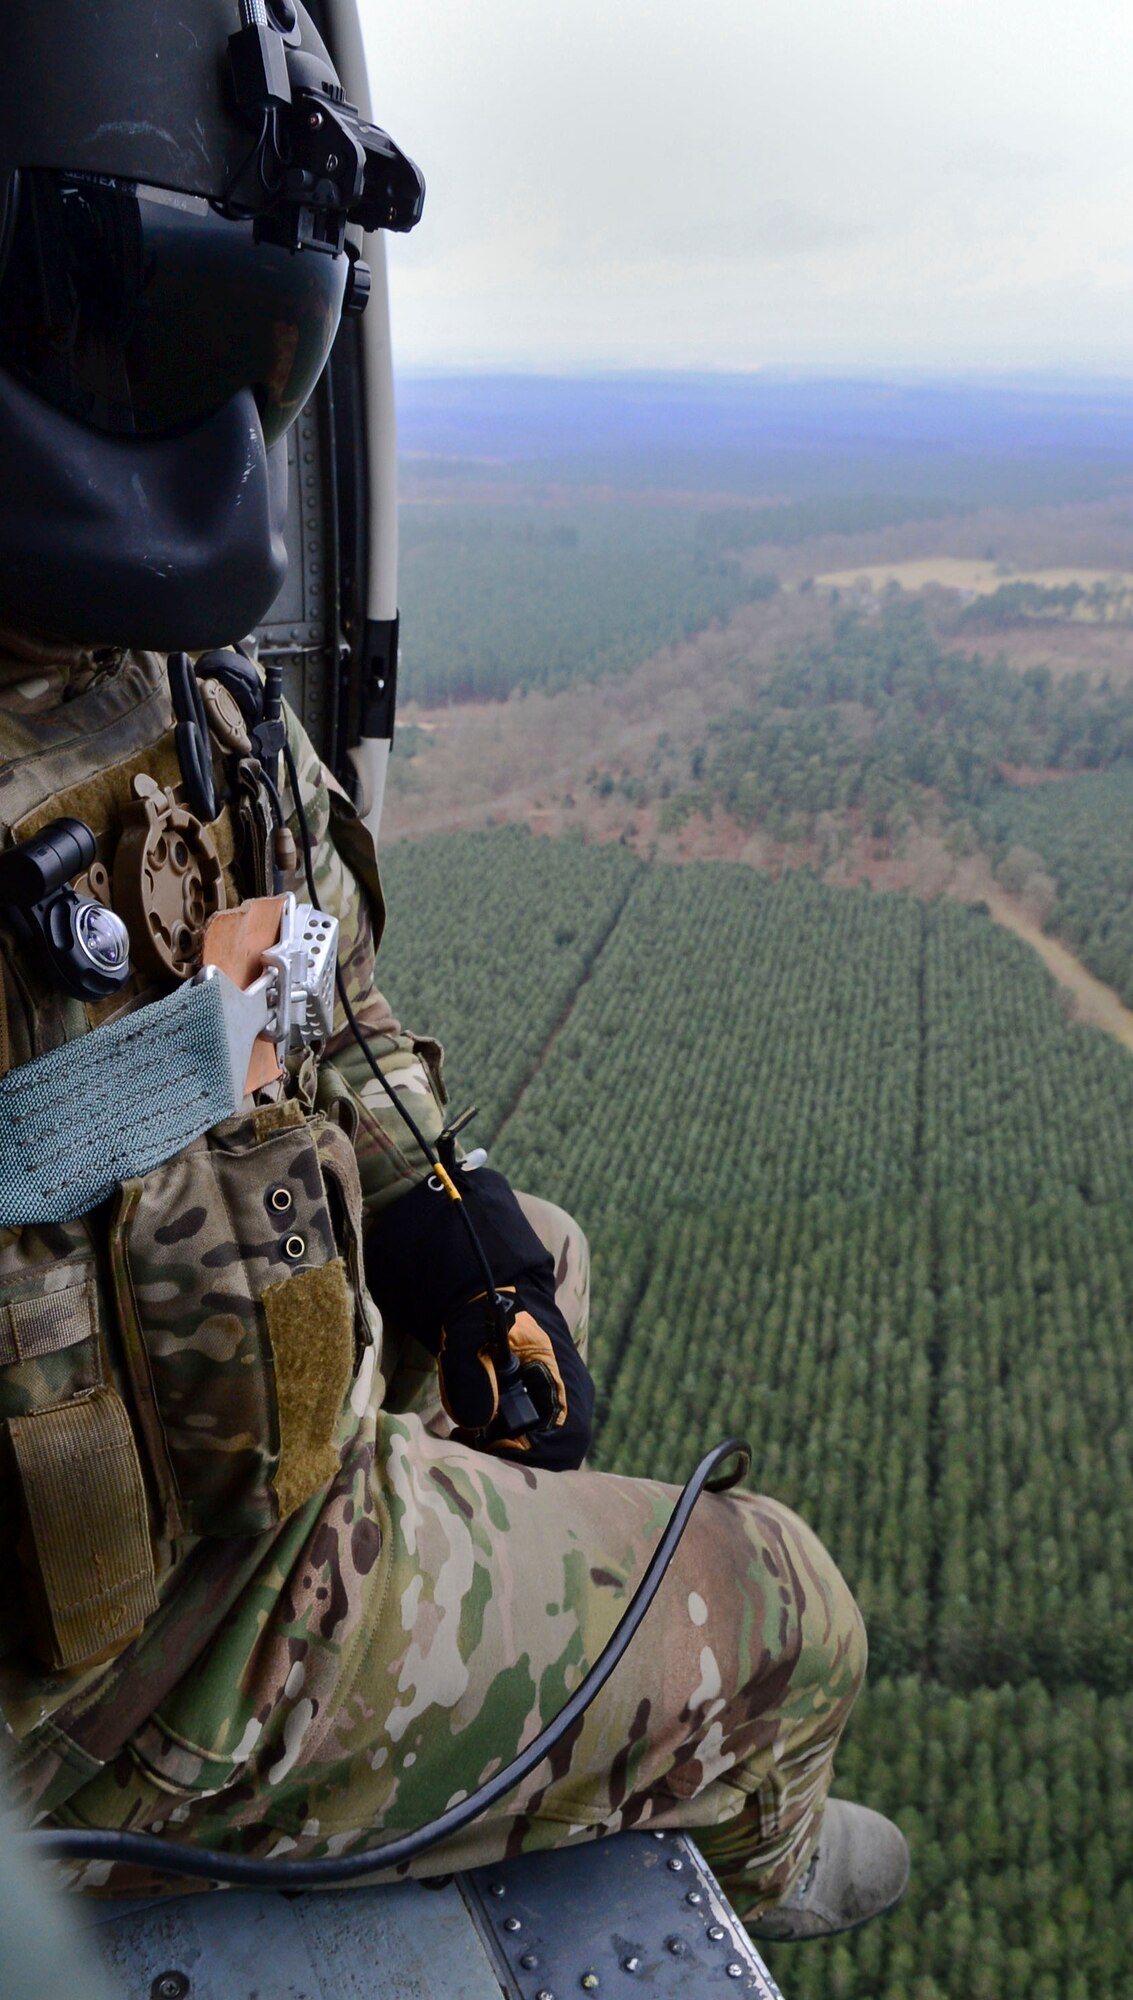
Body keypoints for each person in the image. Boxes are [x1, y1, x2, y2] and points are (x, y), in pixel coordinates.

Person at [0, 0, 907, 1944]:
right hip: (88, 1686)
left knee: (544, 1272)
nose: (186, 413)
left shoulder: (174, 707)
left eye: (236, 343)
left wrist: (440, 1205)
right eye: (137, 335)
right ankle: (752, 1773)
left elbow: (296, 979)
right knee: (790, 1603)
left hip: (201, 1447)